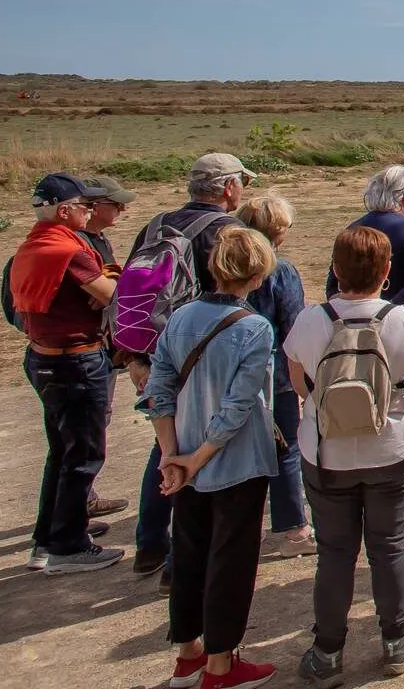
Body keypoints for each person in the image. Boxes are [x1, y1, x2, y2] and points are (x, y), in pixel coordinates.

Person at [286, 224, 404, 686]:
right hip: (390, 449)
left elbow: (299, 386)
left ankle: (328, 650)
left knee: (334, 552)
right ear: (387, 271)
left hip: (326, 453)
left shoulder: (310, 321)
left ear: (335, 269)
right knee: (389, 547)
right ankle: (396, 638)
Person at [140, 226, 280, 689]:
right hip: (234, 461)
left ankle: (187, 652)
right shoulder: (255, 328)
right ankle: (221, 664)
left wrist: (170, 454)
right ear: (257, 274)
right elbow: (238, 407)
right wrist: (195, 458)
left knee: (189, 550)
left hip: (183, 454)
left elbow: (158, 387)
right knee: (231, 561)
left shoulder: (180, 317)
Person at [127, 153, 252, 585]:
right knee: (208, 450)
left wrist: (134, 358)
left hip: (161, 352)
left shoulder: (157, 225)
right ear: (228, 188)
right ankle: (182, 561)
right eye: (241, 183)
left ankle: (149, 545)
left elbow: (132, 297)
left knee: (166, 446)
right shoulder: (229, 232)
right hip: (211, 356)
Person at [325, 165, 404, 521]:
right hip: (402, 329)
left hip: (350, 328)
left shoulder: (353, 229)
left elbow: (331, 286)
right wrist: (387, 313)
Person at [13, 173, 122, 573]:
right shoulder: (68, 249)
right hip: (75, 358)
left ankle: (49, 537)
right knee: (84, 455)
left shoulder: (33, 244)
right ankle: (69, 547)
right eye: (84, 206)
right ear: (65, 210)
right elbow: (112, 297)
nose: (88, 212)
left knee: (61, 452)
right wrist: (112, 284)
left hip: (43, 354)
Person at [234, 192, 315, 558]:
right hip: (276, 373)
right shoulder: (281, 270)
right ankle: (293, 527)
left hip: (232, 371)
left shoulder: (224, 262)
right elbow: (294, 324)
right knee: (286, 448)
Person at [78, 175, 136, 520]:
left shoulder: (95, 240)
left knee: (95, 423)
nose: (122, 210)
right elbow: (106, 296)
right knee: (87, 427)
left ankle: (82, 498)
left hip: (98, 345)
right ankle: (77, 505)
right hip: (88, 348)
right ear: (93, 206)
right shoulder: (79, 245)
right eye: (115, 204)